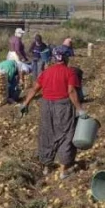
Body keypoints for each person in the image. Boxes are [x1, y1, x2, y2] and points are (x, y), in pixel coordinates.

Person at [20, 45, 82, 179]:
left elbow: (35, 89)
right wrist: (79, 109)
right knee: (66, 135)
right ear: (65, 58)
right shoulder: (69, 72)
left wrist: (25, 103)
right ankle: (63, 170)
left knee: (47, 133)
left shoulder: (46, 72)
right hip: (63, 106)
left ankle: (46, 167)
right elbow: (71, 91)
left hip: (46, 106)